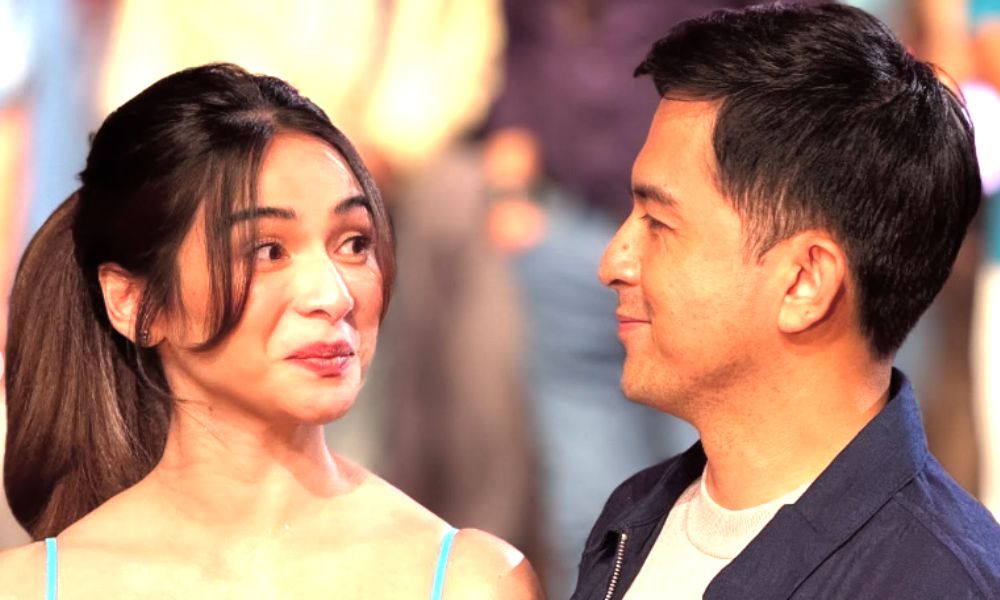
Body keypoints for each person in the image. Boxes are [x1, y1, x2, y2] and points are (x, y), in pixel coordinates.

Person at [0, 63, 542, 599]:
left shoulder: (473, 581)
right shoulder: (27, 586)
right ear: (132, 301)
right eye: (267, 251)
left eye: (354, 243)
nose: (333, 296)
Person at [573, 4, 1000, 599]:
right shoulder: (634, 516)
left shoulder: (934, 583)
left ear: (804, 282)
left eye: (659, 223)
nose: (613, 263)